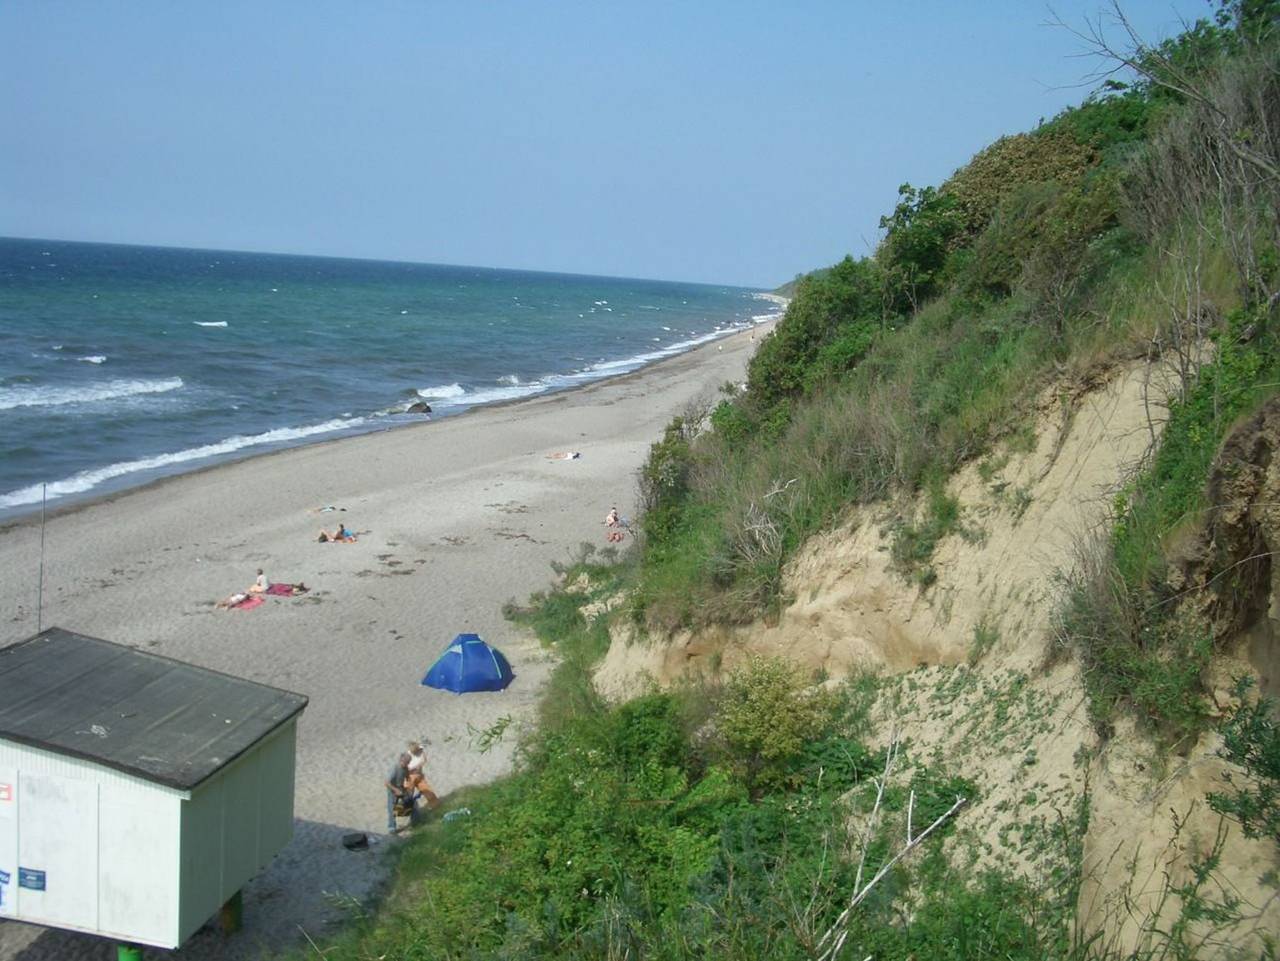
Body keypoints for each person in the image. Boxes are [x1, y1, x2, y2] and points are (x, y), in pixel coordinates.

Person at [385, 751, 413, 832]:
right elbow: (386, 783)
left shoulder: (406, 768)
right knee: (392, 808)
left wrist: (408, 787)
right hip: (392, 790)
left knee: (411, 802)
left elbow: (408, 777)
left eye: (409, 762)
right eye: (407, 762)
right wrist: (396, 790)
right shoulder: (395, 768)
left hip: (401, 788)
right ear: (401, 760)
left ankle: (413, 821)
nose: (407, 764)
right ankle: (392, 827)